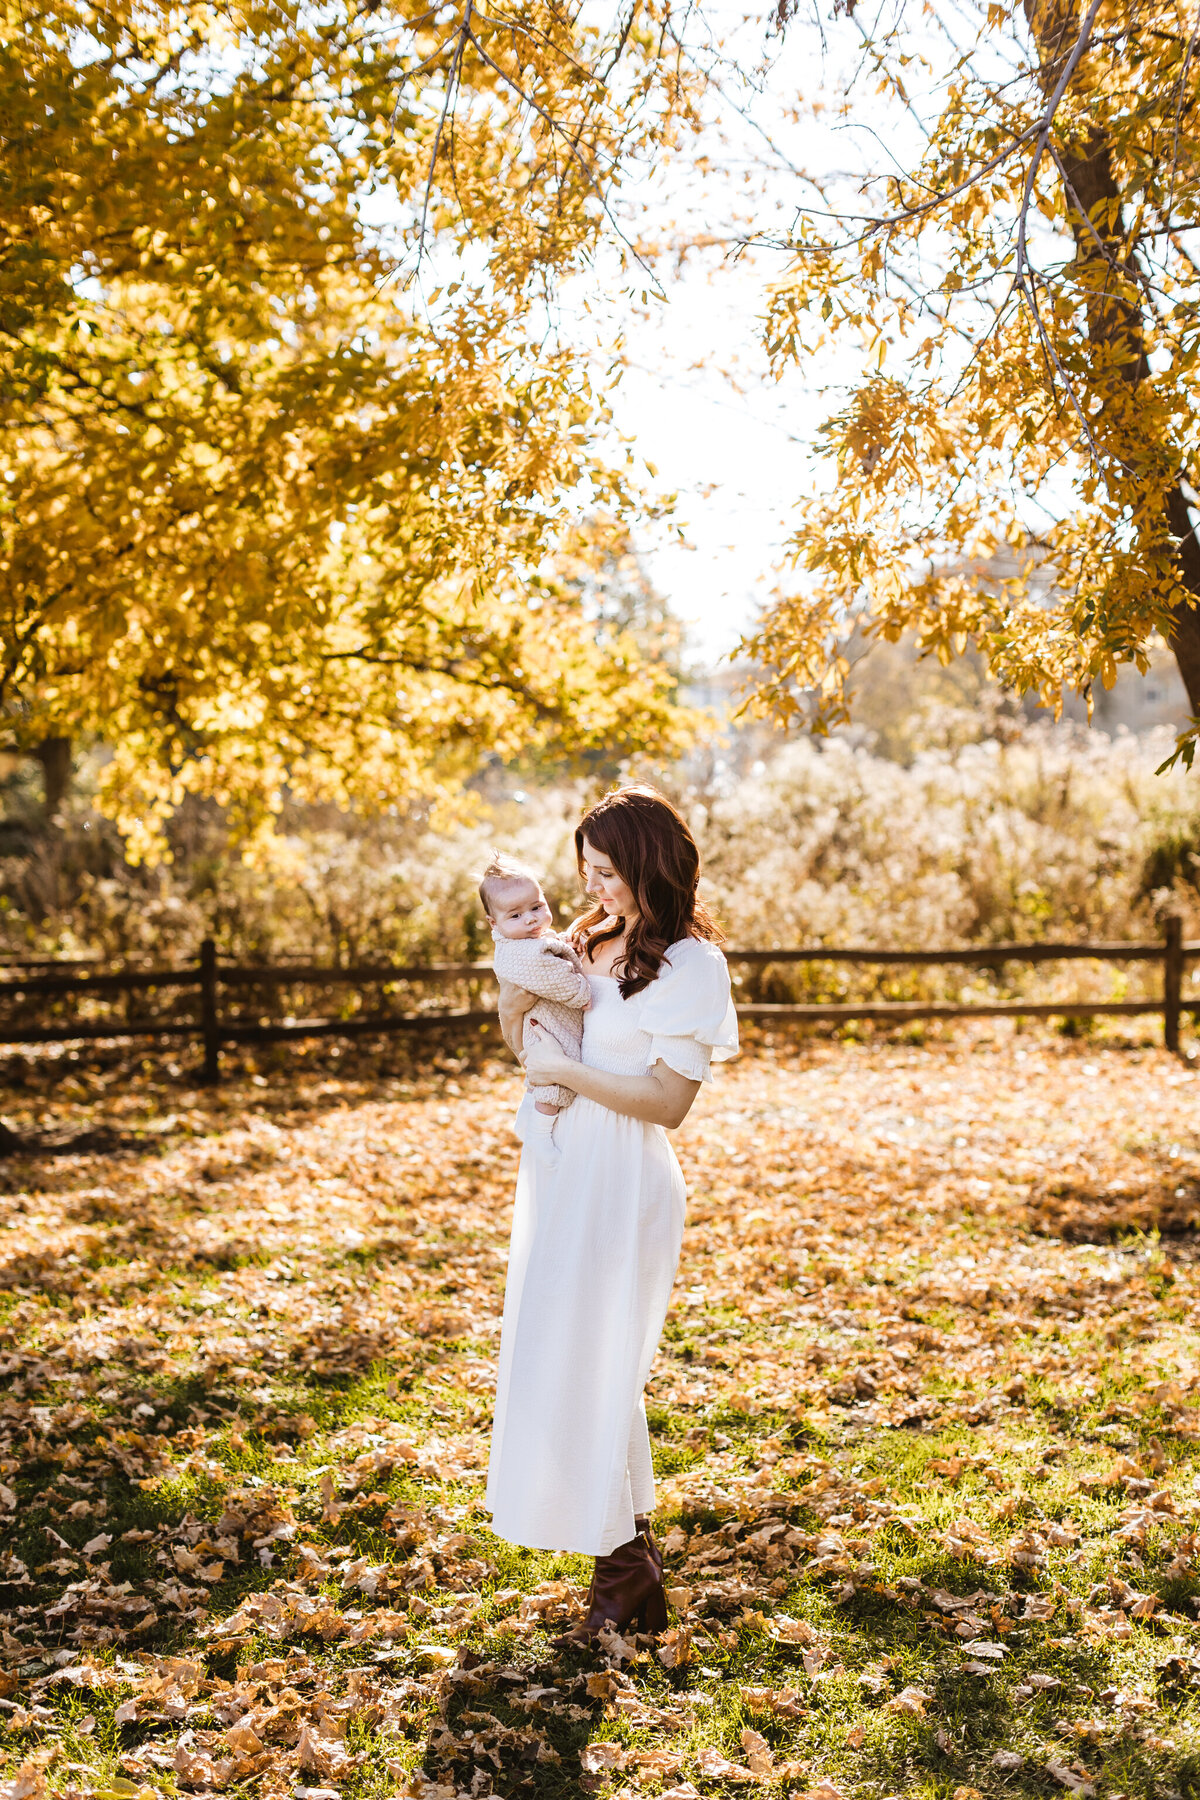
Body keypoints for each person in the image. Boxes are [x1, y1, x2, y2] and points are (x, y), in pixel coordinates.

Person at [485, 784, 738, 1644]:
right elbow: (530, 1043)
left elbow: (668, 1102)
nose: (593, 889)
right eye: (585, 872)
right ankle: (628, 1571)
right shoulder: (585, 940)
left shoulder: (692, 966)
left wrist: (566, 1079)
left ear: (647, 864)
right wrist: (514, 1013)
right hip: (562, 1168)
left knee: (602, 1368)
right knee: (568, 1362)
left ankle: (622, 1580)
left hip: (627, 1176)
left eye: (607, 872)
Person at [478, 851, 591, 1168]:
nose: (530, 919)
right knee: (554, 1082)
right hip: (547, 1027)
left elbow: (554, 943)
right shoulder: (524, 954)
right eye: (515, 915)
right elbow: (561, 983)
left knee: (551, 1075)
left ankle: (530, 1115)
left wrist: (570, 943)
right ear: (494, 922)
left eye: (536, 907)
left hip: (543, 1021)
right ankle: (539, 1133)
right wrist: (582, 993)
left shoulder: (527, 940)